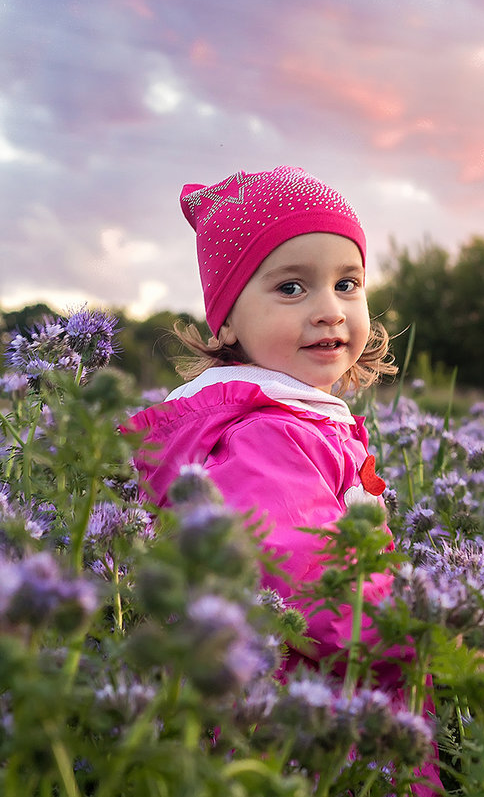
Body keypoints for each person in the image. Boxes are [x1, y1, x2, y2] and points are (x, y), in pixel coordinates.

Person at [128, 166, 442, 794]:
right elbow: (311, 578)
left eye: (347, 284)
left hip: (330, 707)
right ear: (226, 324)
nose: (330, 311)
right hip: (297, 733)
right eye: (292, 288)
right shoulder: (261, 436)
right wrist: (421, 637)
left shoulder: (301, 419)